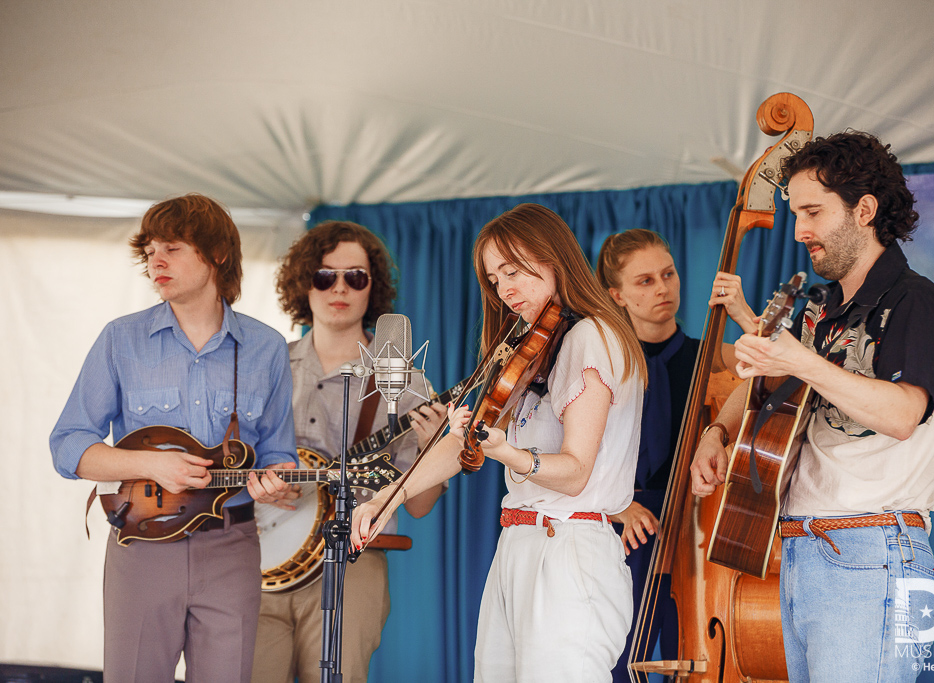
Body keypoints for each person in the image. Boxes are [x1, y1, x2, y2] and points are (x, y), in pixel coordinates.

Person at [690, 131, 934, 683]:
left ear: (864, 210)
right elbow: (769, 379)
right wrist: (717, 431)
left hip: (870, 548)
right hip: (804, 549)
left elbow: (904, 413)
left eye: (813, 212)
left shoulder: (912, 298)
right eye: (794, 213)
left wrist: (802, 359)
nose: (799, 231)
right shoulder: (820, 306)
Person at [352, 203, 648, 682]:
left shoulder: (590, 336)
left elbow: (575, 474)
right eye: (494, 279)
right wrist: (394, 492)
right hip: (521, 541)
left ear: (554, 258)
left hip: (568, 547)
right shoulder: (532, 347)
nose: (504, 289)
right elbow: (466, 439)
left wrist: (506, 452)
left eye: (514, 270)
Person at [49, 194, 298, 683]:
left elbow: (278, 455)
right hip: (141, 550)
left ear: (217, 254)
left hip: (233, 545)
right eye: (149, 251)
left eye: (173, 247)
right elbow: (68, 445)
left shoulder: (266, 347)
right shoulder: (120, 339)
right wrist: (149, 465)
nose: (155, 261)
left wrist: (281, 483)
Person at [253, 220, 447, 683]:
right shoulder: (268, 367)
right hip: (260, 563)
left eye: (354, 277)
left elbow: (419, 506)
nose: (339, 288)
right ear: (305, 283)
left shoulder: (409, 385)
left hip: (351, 565)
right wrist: (257, 481)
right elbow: (237, 464)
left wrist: (431, 446)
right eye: (325, 276)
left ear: (371, 287)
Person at [595, 228, 756, 682]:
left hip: (695, 528)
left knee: (693, 653)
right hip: (622, 526)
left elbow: (777, 368)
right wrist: (619, 505)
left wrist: (745, 316)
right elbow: (572, 451)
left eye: (668, 273)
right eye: (644, 281)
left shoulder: (711, 357)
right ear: (617, 295)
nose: (663, 287)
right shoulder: (602, 363)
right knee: (618, 658)